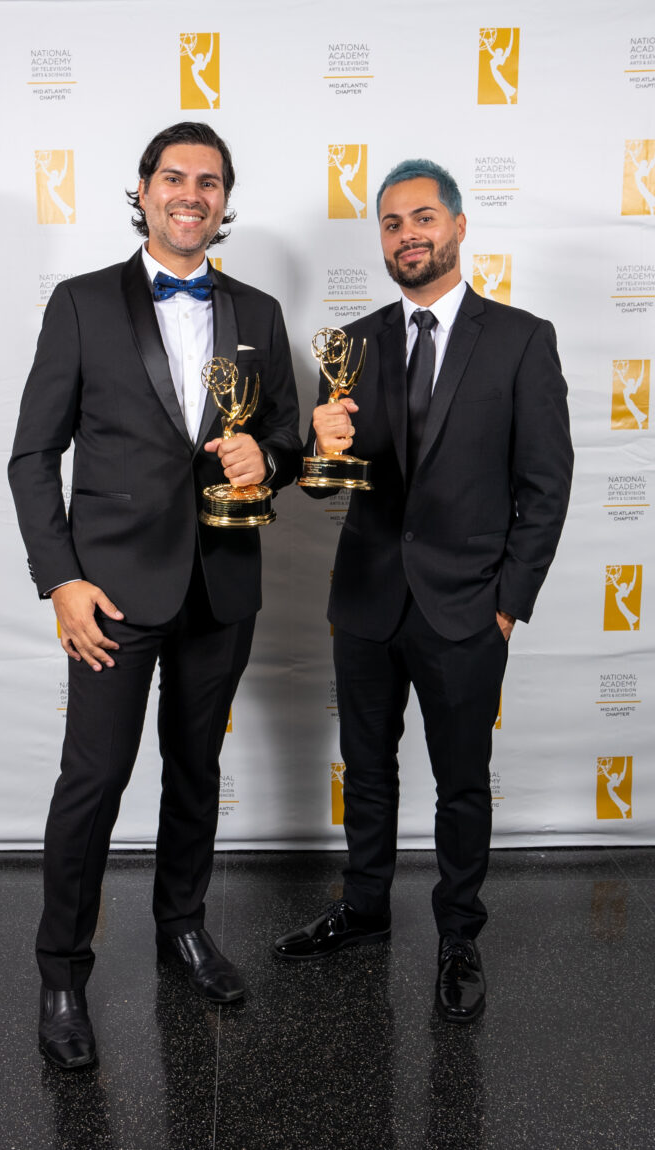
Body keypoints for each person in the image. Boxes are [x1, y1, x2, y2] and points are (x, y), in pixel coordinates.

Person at [9, 122, 302, 1068]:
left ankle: (182, 925)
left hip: (223, 585)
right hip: (112, 595)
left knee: (196, 771)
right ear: (142, 192)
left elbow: (290, 444)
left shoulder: (257, 308)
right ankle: (63, 972)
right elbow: (31, 457)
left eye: (209, 181)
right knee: (91, 784)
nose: (191, 194)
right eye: (173, 178)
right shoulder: (83, 303)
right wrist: (61, 579)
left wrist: (274, 456)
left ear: (225, 200)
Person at [274, 159, 573, 1023]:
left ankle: (458, 936)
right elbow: (326, 488)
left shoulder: (521, 338)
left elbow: (545, 486)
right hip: (366, 602)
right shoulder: (354, 343)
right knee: (366, 773)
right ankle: (365, 909)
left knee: (461, 782)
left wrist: (507, 604)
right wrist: (318, 450)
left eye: (423, 218)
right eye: (392, 223)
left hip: (466, 608)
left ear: (458, 226)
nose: (408, 234)